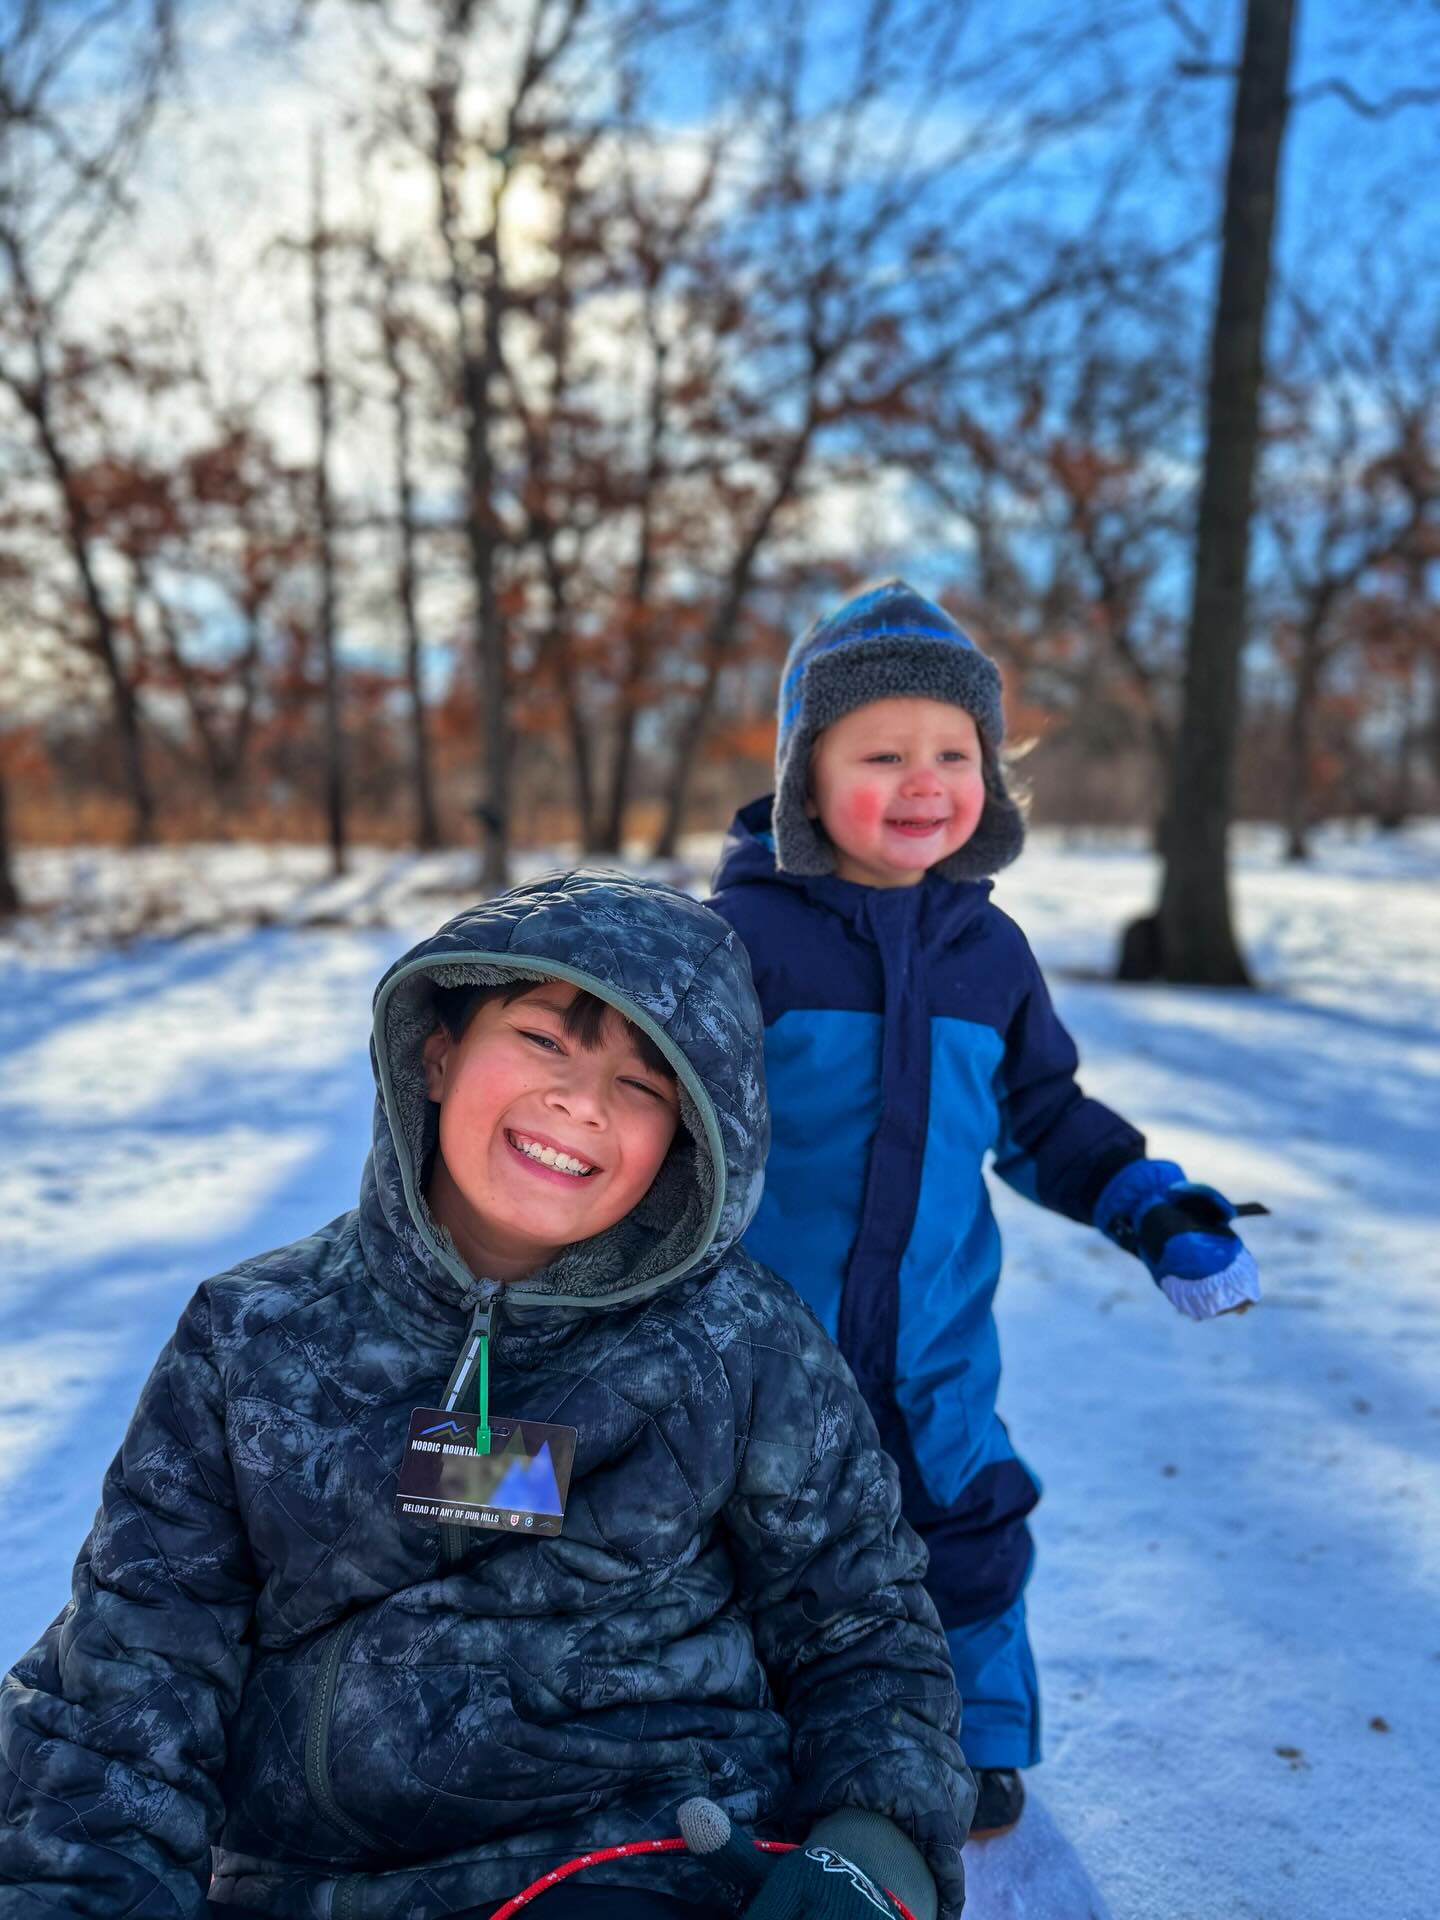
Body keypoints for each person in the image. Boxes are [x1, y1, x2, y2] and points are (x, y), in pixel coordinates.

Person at [0, 872, 975, 1920]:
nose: (582, 1102)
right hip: (310, 1888)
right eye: (544, 1040)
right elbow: (133, 1670)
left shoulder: (741, 1346)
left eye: (643, 1085)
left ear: (689, 1143)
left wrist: (873, 1854)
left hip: (641, 1857)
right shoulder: (250, 1337)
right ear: (438, 1053)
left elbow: (860, 1623)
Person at [708, 580, 1262, 1837]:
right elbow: (662, 1117)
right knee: (748, 1532)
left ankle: (973, 1734)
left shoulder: (990, 958)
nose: (923, 780)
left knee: (962, 1523)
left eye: (953, 752)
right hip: (757, 1342)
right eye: (881, 752)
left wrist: (1154, 1208)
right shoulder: (744, 941)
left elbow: (1048, 1119)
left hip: (936, 1344)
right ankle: (743, 1724)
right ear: (806, 777)